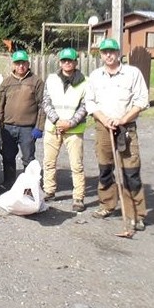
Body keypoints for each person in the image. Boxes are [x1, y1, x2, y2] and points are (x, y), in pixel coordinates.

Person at [84, 38, 150, 230]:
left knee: (131, 172)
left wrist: (122, 119)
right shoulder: (96, 76)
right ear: (101, 54)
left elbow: (141, 101)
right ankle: (107, 205)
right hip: (103, 127)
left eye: (112, 51)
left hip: (126, 128)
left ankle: (136, 215)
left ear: (118, 52)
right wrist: (104, 119)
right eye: (105, 52)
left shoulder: (132, 73)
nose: (108, 55)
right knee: (105, 169)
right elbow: (90, 102)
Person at [41, 48, 88, 211]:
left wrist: (71, 123)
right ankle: (49, 190)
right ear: (60, 62)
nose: (67, 63)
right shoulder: (51, 79)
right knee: (48, 162)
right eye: (64, 60)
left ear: (76, 62)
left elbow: (85, 106)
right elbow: (46, 102)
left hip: (74, 130)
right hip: (53, 127)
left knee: (76, 165)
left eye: (70, 60)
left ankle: (78, 197)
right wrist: (57, 120)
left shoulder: (85, 81)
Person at [0, 50, 45, 188]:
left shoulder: (36, 81)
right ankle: (9, 182)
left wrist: (39, 127)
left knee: (28, 158)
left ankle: (29, 185)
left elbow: (42, 105)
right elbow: (0, 105)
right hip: (8, 127)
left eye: (23, 63)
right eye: (18, 63)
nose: (21, 66)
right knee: (8, 156)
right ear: (14, 65)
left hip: (28, 128)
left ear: (28, 64)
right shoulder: (6, 82)